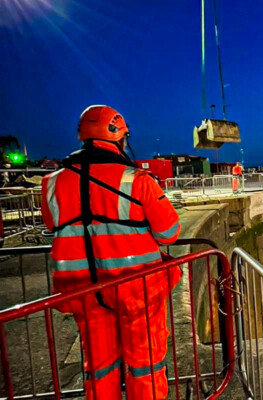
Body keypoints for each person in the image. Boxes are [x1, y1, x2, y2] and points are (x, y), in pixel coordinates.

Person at [41, 105, 181, 400]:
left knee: (99, 369)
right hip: (136, 287)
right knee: (146, 365)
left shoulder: (51, 184)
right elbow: (170, 233)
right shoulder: (137, 180)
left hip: (83, 292)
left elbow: (57, 226)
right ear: (118, 137)